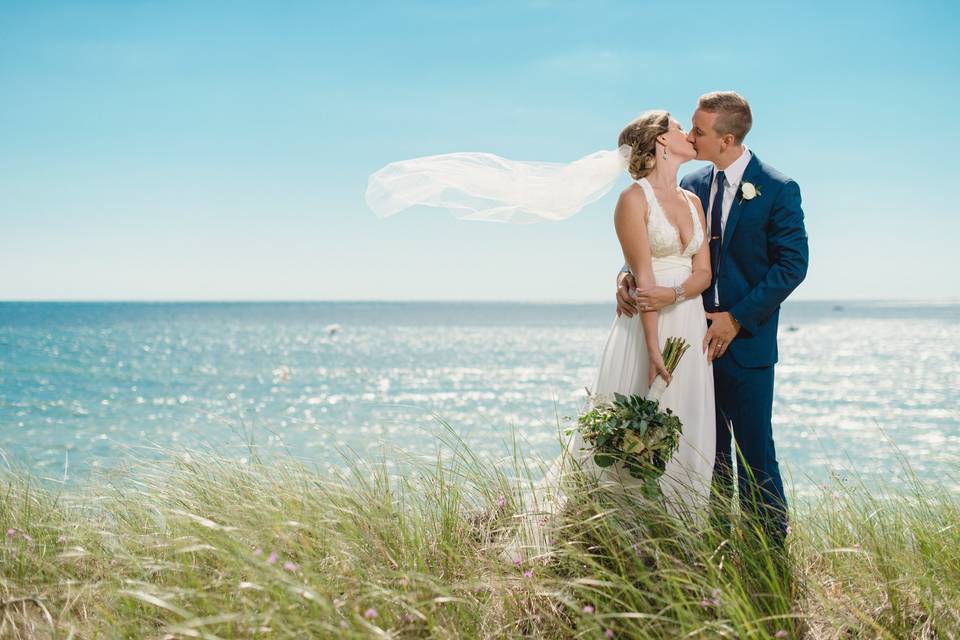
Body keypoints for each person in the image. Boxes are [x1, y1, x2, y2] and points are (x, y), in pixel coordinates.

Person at [616, 92, 809, 543]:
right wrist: (624, 277)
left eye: (699, 131)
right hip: (688, 341)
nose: (690, 135)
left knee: (756, 456)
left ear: (726, 139)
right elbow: (658, 249)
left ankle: (769, 561)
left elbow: (792, 266)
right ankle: (716, 554)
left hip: (747, 346)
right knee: (707, 455)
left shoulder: (778, 189)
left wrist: (736, 318)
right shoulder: (693, 186)